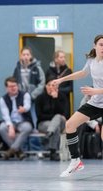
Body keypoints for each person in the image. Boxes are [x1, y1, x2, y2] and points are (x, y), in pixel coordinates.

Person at [52, 35, 103, 177]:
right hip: (96, 102)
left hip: (98, 96)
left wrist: (95, 91)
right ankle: (75, 161)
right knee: (70, 125)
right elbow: (82, 73)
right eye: (101, 44)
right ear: (95, 46)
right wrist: (61, 79)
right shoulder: (92, 60)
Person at [0, 77, 33, 160]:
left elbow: (27, 105)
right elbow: (5, 115)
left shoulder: (25, 95)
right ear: (6, 88)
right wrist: (10, 126)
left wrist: (24, 109)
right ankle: (18, 151)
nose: (13, 88)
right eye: (10, 86)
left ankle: (11, 150)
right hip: (11, 122)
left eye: (15, 86)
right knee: (2, 128)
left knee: (28, 128)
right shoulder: (3, 99)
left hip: (23, 121)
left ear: (18, 86)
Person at [35, 78, 68, 161]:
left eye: (53, 85)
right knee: (55, 126)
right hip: (43, 123)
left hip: (61, 123)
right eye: (48, 85)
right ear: (45, 86)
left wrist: (55, 99)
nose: (50, 87)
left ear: (57, 86)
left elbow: (64, 114)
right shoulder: (39, 98)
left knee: (58, 117)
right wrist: (54, 117)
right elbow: (39, 116)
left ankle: (50, 133)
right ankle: (53, 153)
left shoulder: (62, 96)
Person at [13, 46, 46, 128]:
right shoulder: (17, 69)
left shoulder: (37, 68)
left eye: (27, 54)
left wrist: (33, 95)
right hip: (21, 97)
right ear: (21, 56)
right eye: (24, 54)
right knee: (21, 117)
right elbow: (14, 82)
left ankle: (34, 132)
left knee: (33, 116)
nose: (26, 56)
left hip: (33, 98)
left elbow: (42, 83)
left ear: (31, 56)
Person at [46, 50, 73, 117]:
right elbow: (46, 85)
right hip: (51, 99)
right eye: (61, 57)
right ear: (56, 59)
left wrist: (59, 90)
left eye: (64, 57)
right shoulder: (49, 71)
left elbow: (71, 87)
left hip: (64, 100)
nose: (63, 59)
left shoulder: (68, 71)